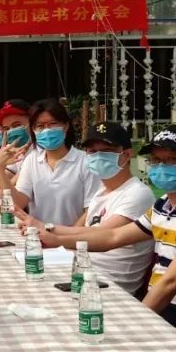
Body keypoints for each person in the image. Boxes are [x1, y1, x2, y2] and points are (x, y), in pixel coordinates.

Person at [42, 125, 176, 327]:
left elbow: (171, 283)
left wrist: (138, 322)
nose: (162, 166)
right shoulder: (164, 205)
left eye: (172, 160)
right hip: (163, 302)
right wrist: (56, 239)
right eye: (156, 160)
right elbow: (113, 237)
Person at [15, 121, 155, 297]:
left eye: (106, 151)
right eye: (92, 151)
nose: (98, 156)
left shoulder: (137, 194)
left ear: (126, 155)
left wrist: (55, 239)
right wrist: (43, 227)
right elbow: (84, 231)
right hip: (84, 272)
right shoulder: (102, 192)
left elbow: (104, 235)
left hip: (109, 285)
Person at [0, 98, 99, 227]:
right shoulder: (32, 160)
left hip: (73, 237)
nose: (46, 130)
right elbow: (18, 202)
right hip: (36, 235)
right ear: (33, 130)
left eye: (52, 124)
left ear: (66, 126)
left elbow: (90, 210)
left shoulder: (85, 162)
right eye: (40, 126)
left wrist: (64, 235)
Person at [0, 100, 32, 194]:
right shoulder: (14, 151)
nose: (11, 131)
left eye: (17, 125)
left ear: (32, 122)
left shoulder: (40, 150)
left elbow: (3, 193)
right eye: (7, 128)